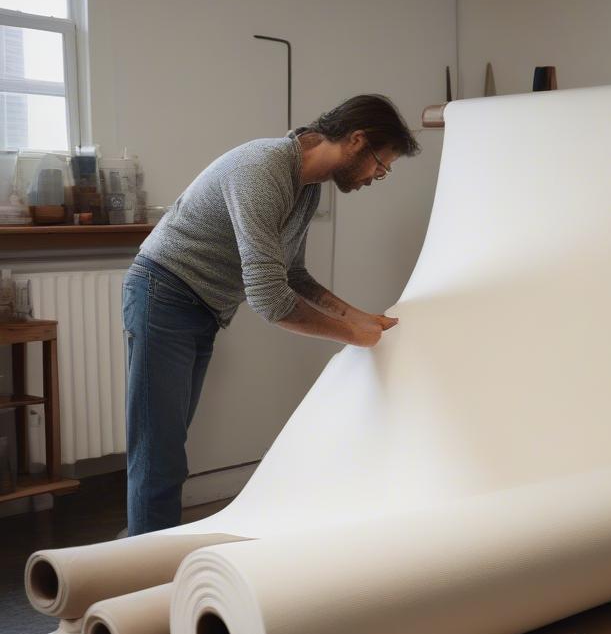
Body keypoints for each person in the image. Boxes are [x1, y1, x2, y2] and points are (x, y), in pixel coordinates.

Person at [122, 94, 420, 536]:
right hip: (162, 294)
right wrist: (354, 336)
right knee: (158, 454)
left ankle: (136, 551)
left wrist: (363, 317)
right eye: (381, 163)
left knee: (165, 447)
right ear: (357, 141)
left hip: (200, 307)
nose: (379, 175)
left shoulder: (306, 186)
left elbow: (293, 273)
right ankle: (140, 577)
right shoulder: (262, 170)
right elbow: (269, 299)